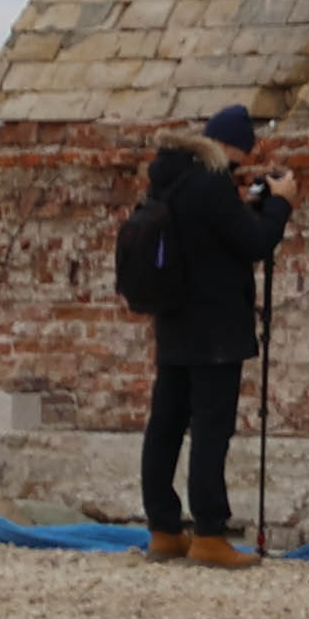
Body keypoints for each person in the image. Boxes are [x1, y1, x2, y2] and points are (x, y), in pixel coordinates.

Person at [119, 113, 292, 565]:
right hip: (215, 325)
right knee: (211, 429)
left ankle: (163, 528)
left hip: (174, 319)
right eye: (245, 153)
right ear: (232, 147)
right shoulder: (212, 183)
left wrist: (245, 205)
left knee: (166, 425)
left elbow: (211, 236)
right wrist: (280, 205)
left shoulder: (170, 176)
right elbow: (255, 243)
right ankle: (210, 534)